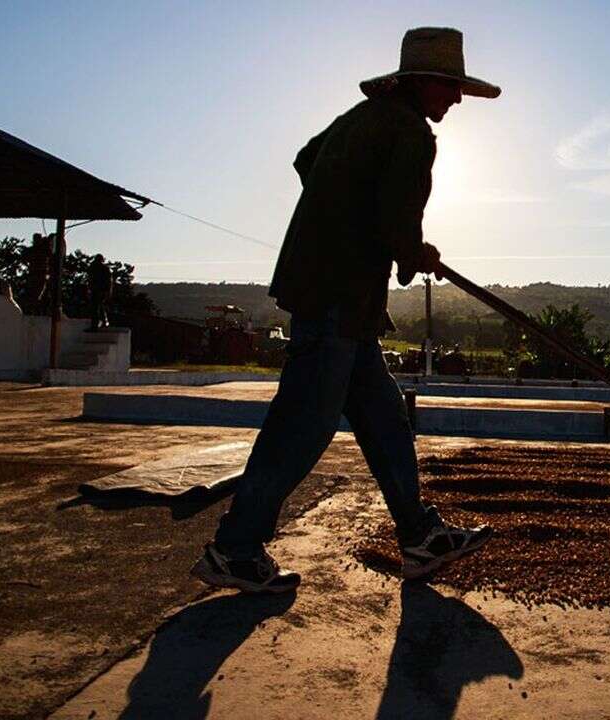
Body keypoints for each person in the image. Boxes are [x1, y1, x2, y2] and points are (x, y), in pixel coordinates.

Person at [192, 27, 501, 593]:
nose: (455, 99)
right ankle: (235, 548)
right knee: (303, 425)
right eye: (450, 87)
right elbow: (396, 221)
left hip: (338, 299)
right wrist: (415, 252)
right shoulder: (410, 133)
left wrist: (341, 207)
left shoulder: (359, 120)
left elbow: (305, 159)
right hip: (338, 296)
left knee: (385, 422)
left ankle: (419, 536)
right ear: (423, 82)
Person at [86, 253, 113, 330]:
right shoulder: (102, 268)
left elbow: (108, 281)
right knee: (98, 307)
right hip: (98, 290)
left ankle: (97, 323)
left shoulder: (98, 268)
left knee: (96, 307)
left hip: (99, 290)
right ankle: (103, 322)